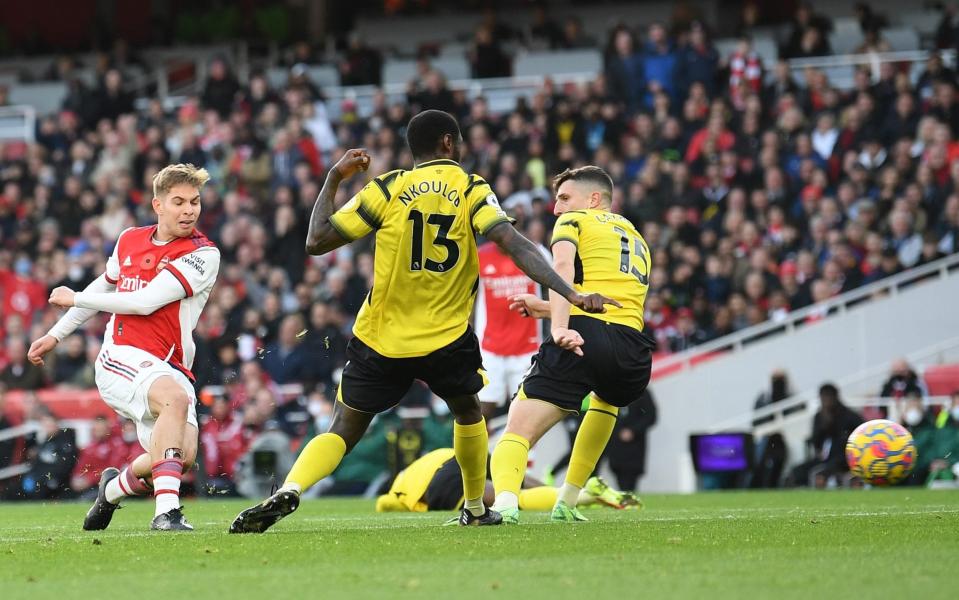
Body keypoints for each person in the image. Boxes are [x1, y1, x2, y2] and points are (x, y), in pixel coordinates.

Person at [229, 110, 618, 533]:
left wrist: (334, 178)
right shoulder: (471, 188)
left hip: (380, 337)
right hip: (444, 337)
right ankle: (473, 507)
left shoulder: (389, 187)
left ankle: (292, 487)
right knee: (469, 413)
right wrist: (569, 291)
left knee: (344, 426)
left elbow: (316, 240)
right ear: (449, 143)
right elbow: (512, 243)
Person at [27, 164, 220, 531]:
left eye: (194, 202)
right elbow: (105, 286)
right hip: (121, 355)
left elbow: (144, 301)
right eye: (178, 202)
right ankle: (167, 513)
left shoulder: (203, 254)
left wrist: (74, 297)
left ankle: (111, 490)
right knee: (175, 402)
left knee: (181, 457)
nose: (189, 210)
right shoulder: (130, 238)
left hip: (172, 366)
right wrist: (56, 335)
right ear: (157, 205)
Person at [490, 166, 655, 523]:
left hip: (583, 336)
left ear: (593, 199)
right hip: (632, 350)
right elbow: (610, 303)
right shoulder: (634, 235)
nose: (556, 209)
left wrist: (558, 326)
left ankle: (503, 505)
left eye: (564, 198)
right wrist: (548, 308)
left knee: (517, 430)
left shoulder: (574, 222)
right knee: (606, 401)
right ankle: (567, 500)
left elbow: (561, 269)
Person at [375, 447, 638, 513]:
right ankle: (566, 491)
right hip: (457, 454)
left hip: (440, 486)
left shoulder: (398, 487)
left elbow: (385, 504)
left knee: (512, 500)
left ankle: (586, 496)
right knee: (514, 478)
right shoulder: (417, 465)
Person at [474, 239, 547, 417]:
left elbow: (553, 288)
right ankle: (480, 445)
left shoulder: (536, 252)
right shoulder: (479, 255)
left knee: (525, 411)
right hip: (489, 347)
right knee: (482, 409)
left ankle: (526, 446)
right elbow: (470, 299)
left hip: (527, 348)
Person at [789, 383, 863, 488]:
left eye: (828, 397)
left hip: (844, 457)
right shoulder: (819, 416)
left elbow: (862, 434)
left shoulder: (849, 416)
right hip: (824, 457)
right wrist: (823, 427)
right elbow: (815, 442)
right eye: (823, 397)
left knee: (822, 473)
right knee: (797, 471)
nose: (826, 401)